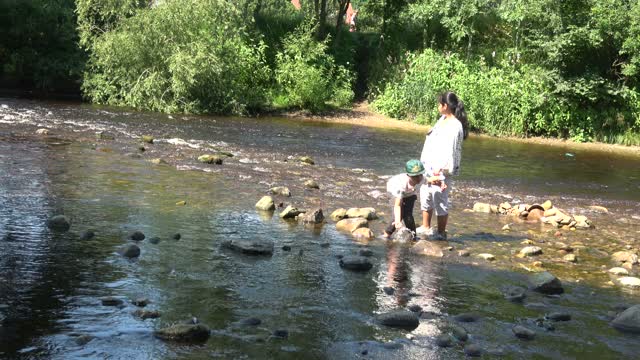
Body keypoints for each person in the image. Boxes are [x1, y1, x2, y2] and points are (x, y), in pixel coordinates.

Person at [417, 91, 469, 240]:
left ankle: (441, 233)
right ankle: (426, 226)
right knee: (426, 194)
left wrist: (440, 169)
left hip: (441, 168)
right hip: (430, 165)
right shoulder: (443, 119)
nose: (438, 106)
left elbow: (451, 150)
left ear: (446, 106)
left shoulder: (455, 125)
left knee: (439, 197)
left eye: (440, 104)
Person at [383, 159, 444, 239]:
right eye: (415, 176)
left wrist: (440, 183)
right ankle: (386, 235)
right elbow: (397, 205)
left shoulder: (421, 178)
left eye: (420, 175)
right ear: (408, 175)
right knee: (398, 216)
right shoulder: (401, 184)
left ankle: (413, 237)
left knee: (408, 216)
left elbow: (430, 180)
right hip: (395, 192)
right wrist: (398, 221)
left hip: (410, 193)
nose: (418, 178)